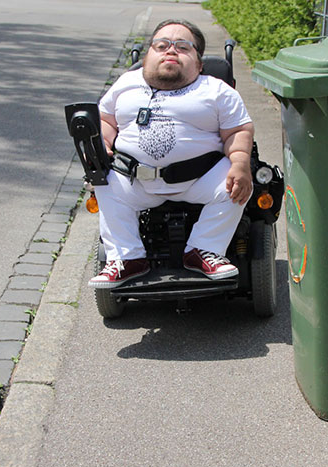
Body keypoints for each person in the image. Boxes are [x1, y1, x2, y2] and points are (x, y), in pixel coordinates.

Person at [88, 19, 255, 289]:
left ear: (199, 64)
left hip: (200, 179)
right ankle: (127, 258)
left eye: (183, 47)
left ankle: (204, 249)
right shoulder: (126, 83)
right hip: (135, 180)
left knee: (236, 182)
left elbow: (238, 130)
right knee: (103, 180)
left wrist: (239, 162)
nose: (171, 51)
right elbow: (106, 119)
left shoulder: (215, 90)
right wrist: (103, 144)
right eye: (162, 45)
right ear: (147, 58)